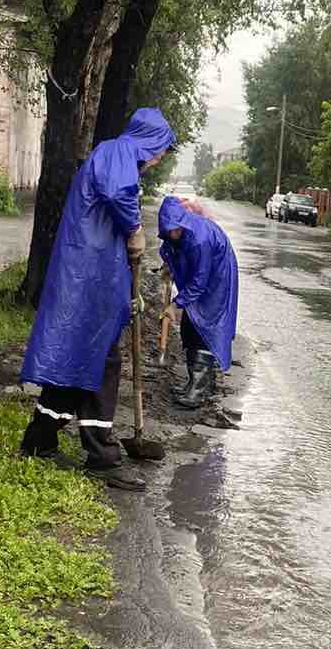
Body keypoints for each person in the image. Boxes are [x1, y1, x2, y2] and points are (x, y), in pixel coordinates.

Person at [19, 108, 175, 490]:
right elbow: (117, 192)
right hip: (90, 275)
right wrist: (135, 228)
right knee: (102, 360)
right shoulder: (119, 152)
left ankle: (39, 439)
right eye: (161, 149)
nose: (159, 158)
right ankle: (101, 456)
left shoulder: (113, 154)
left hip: (91, 272)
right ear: (149, 141)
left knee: (79, 358)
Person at [157, 195, 239, 409]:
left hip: (217, 276)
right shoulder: (175, 236)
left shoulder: (199, 239)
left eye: (176, 228)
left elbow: (200, 282)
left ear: (182, 222)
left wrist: (175, 304)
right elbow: (173, 251)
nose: (173, 233)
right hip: (201, 274)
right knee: (189, 325)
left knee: (204, 326)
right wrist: (169, 266)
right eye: (168, 230)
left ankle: (199, 390)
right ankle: (198, 383)